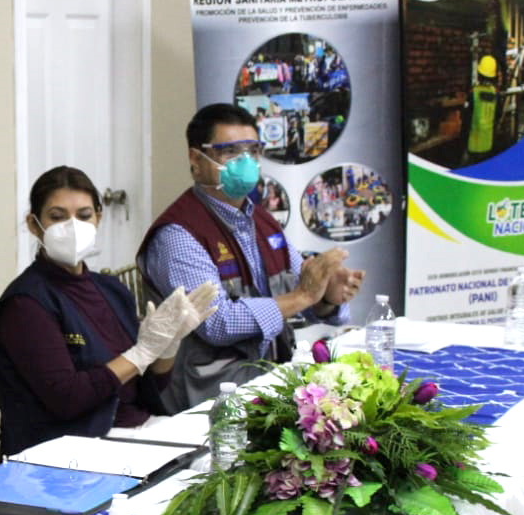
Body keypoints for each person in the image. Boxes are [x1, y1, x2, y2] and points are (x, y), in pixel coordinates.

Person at [138, 103, 365, 413]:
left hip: (264, 374)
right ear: (196, 158)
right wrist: (303, 297)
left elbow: (306, 290)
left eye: (252, 151)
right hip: (207, 394)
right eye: (230, 152)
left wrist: (327, 297)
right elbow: (218, 323)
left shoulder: (262, 221)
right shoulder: (177, 234)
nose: (245, 162)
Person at [0, 166, 215, 457]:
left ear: (98, 217)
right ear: (34, 225)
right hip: (68, 447)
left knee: (227, 446)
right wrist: (140, 354)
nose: (72, 227)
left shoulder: (111, 289)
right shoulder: (25, 304)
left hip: (134, 429)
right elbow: (67, 398)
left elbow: (147, 387)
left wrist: (166, 347)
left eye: (84, 215)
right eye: (57, 217)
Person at [466, 55, 499, 162]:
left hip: (473, 145)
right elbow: (497, 116)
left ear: (479, 74)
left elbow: (466, 120)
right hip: (488, 145)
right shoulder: (495, 94)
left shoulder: (473, 93)